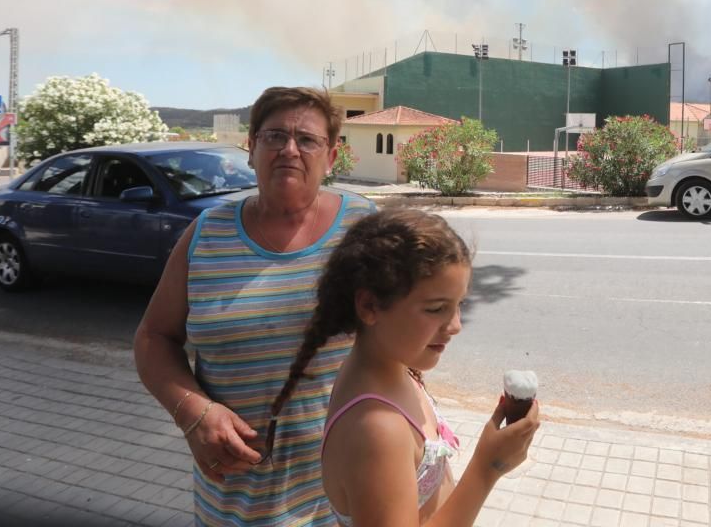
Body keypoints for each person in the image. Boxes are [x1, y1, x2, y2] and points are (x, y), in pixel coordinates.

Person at [134, 86, 376, 526]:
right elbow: (154, 337)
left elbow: (405, 338)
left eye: (307, 140)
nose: (289, 149)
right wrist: (194, 412)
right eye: (273, 136)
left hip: (346, 502)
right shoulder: (206, 234)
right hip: (233, 503)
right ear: (251, 148)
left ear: (332, 156)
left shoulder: (364, 229)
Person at [270, 208, 539, 526]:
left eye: (459, 305)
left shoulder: (399, 368)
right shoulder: (377, 430)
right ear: (370, 306)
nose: (455, 326)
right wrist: (487, 467)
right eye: (437, 308)